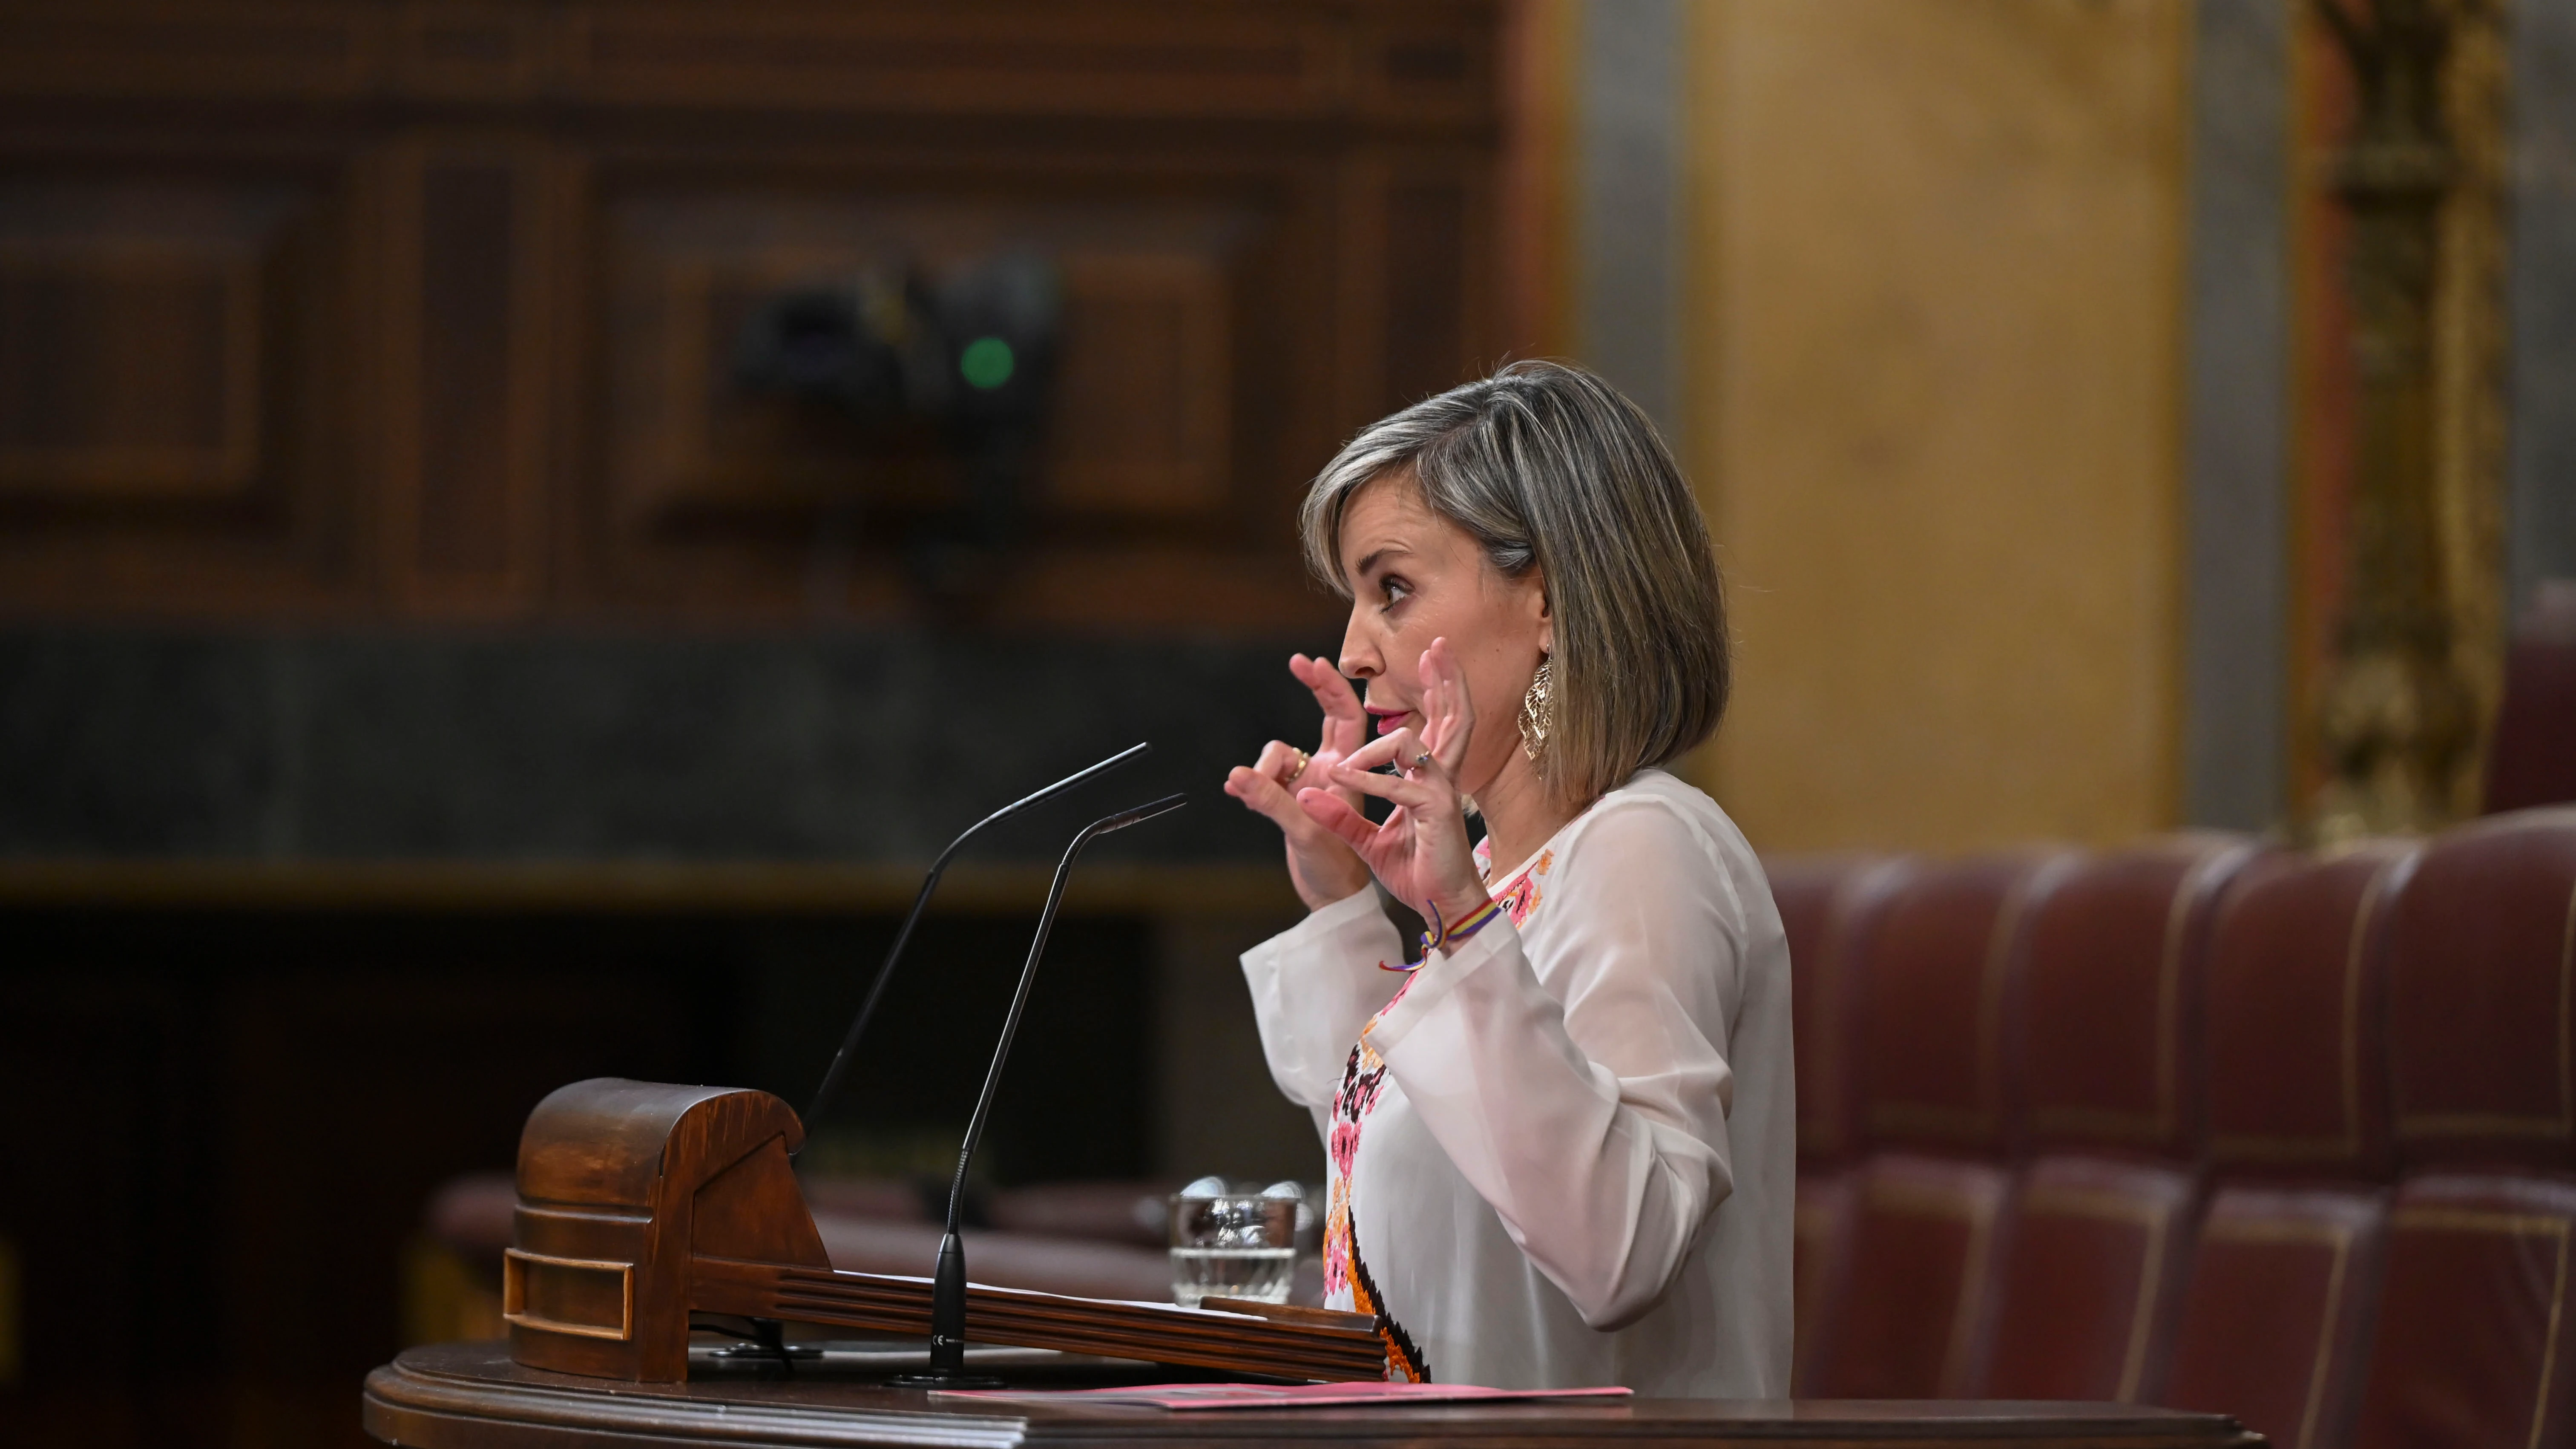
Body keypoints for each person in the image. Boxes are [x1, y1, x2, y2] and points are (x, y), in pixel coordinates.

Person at [1222, 361, 1791, 1395]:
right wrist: (1349, 904)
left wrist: (1461, 926)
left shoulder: (1645, 847)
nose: (1352, 650)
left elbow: (1621, 1253)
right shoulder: (1496, 877)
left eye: (1392, 588)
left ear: (1548, 599)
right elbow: (1416, 1211)